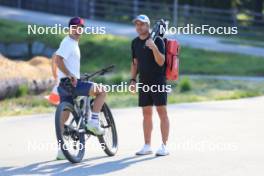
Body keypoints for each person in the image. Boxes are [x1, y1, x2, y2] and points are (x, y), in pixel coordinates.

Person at [54, 17, 106, 160]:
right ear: (69, 29)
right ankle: (94, 122)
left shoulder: (71, 44)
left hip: (64, 85)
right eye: (74, 27)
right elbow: (58, 60)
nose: (78, 30)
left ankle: (61, 149)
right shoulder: (69, 42)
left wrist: (74, 74)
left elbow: (65, 62)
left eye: (80, 28)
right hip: (71, 84)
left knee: (64, 116)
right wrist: (70, 74)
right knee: (102, 90)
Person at [130, 15, 170, 156]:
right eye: (137, 24)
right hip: (144, 82)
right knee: (146, 114)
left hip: (158, 81)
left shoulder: (157, 40)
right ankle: (147, 145)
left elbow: (161, 62)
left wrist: (153, 47)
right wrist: (133, 80)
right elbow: (135, 63)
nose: (139, 27)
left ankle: (164, 146)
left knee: (162, 112)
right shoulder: (135, 42)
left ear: (148, 26)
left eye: (142, 24)